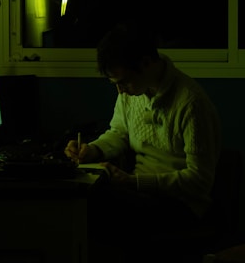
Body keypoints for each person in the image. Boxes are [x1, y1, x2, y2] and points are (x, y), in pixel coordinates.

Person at [64, 20, 222, 262]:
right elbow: (119, 133)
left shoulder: (190, 103)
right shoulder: (133, 92)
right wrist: (93, 151)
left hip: (180, 204)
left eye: (123, 82)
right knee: (81, 194)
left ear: (147, 63)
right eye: (115, 84)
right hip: (139, 192)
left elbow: (199, 181)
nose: (120, 91)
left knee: (95, 204)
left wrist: (134, 182)